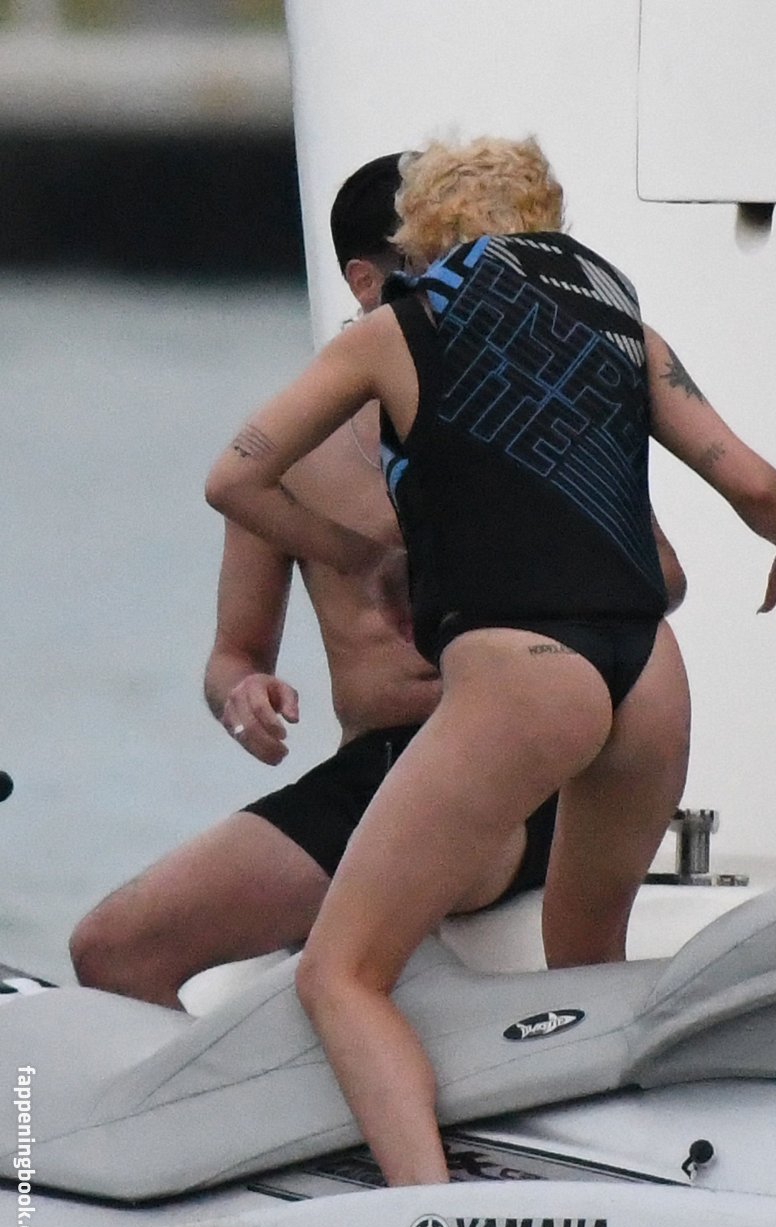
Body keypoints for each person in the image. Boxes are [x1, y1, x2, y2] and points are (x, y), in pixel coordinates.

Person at [205, 136, 776, 1186]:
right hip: (649, 669)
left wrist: (365, 558)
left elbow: (232, 478)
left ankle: (433, 1221)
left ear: (422, 234)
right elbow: (756, 483)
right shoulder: (621, 331)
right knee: (587, 963)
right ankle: (641, 1184)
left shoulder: (397, 330)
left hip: (525, 673)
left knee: (341, 975)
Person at [68, 150, 690, 1009]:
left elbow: (662, 575)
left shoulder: (529, 410)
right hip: (391, 771)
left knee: (118, 948)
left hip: (528, 761)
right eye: (452, 261)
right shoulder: (289, 455)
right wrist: (242, 692)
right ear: (368, 281)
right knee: (109, 949)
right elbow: (233, 654)